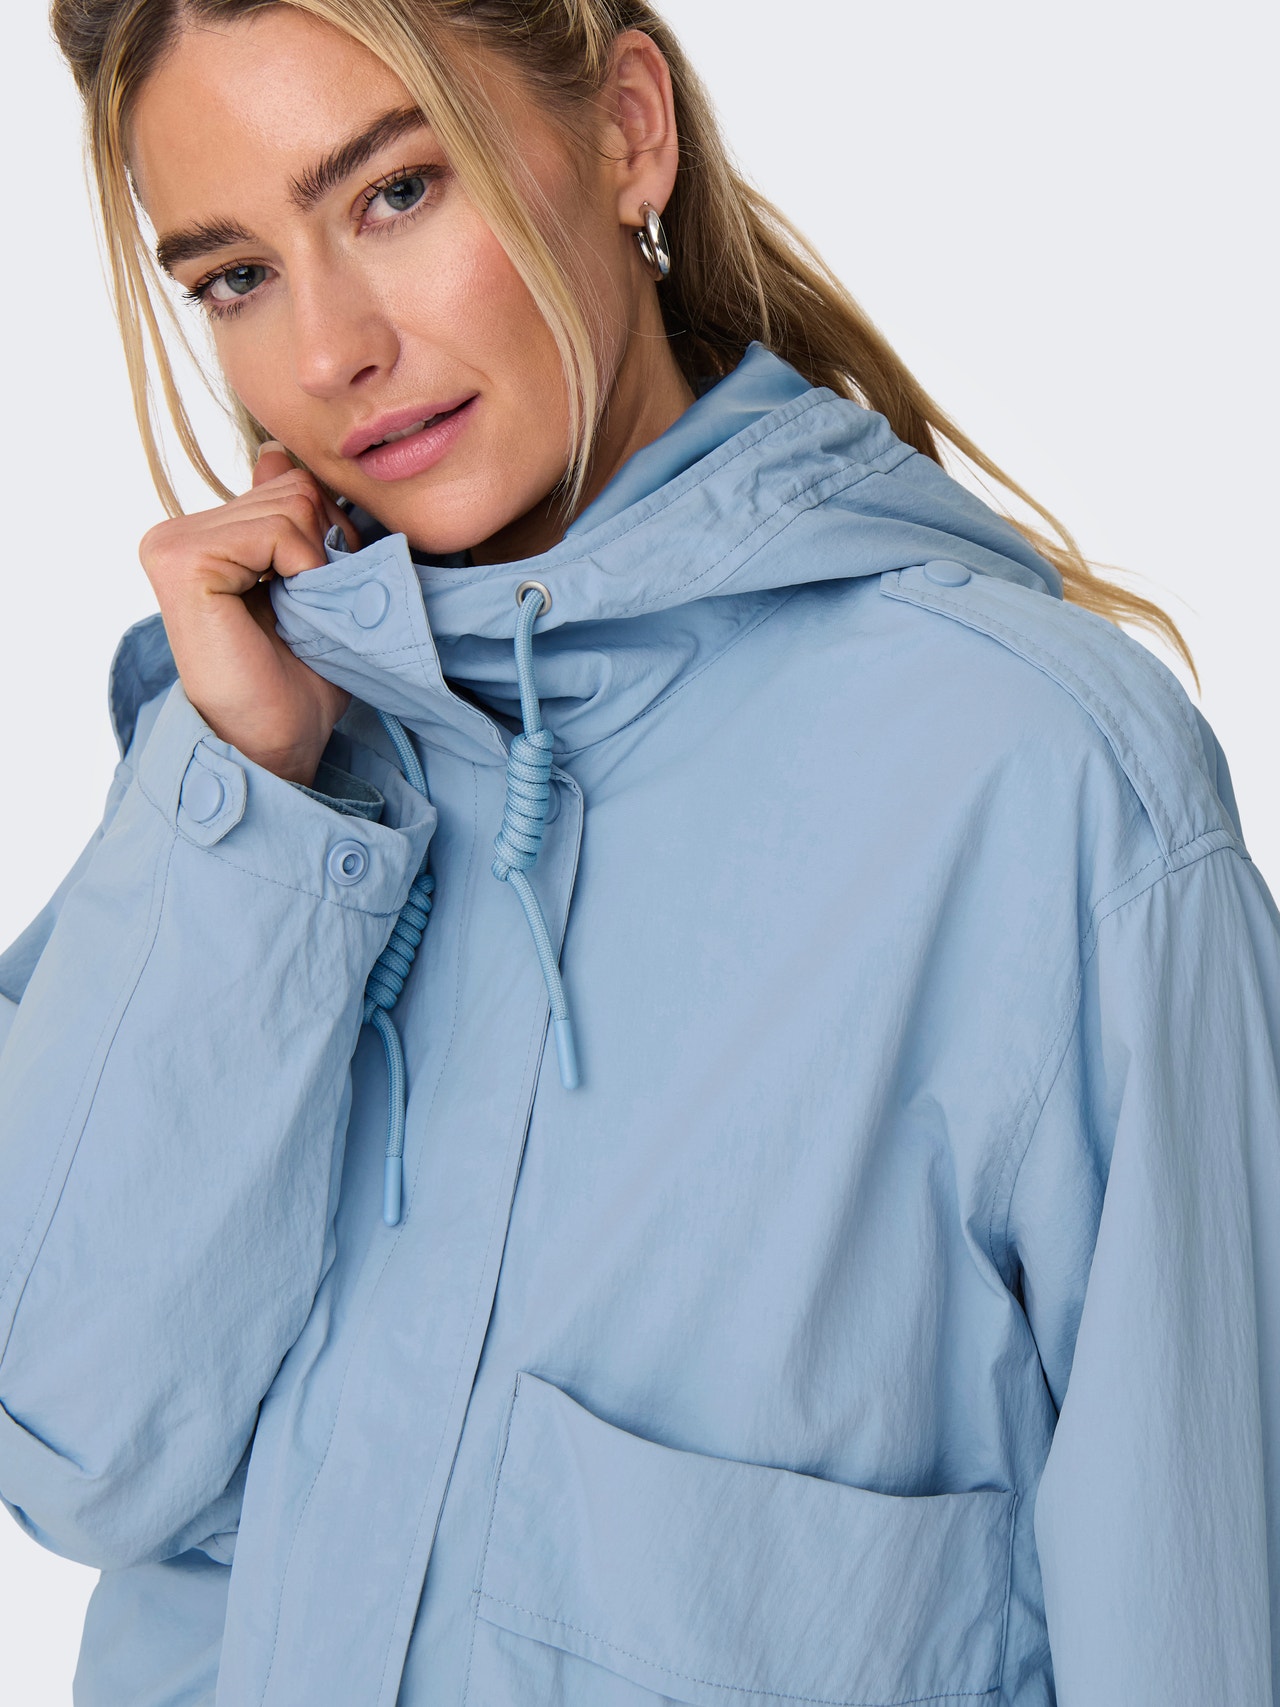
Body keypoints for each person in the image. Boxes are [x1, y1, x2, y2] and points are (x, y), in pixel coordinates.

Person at [1, 1, 1277, 1703]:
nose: (329, 352)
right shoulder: (258, 757)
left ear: (625, 131)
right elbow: (65, 1448)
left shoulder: (1037, 783)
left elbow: (1199, 1631)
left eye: (396, 193)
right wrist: (247, 800)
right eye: (236, 276)